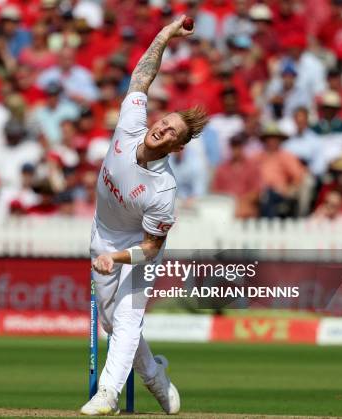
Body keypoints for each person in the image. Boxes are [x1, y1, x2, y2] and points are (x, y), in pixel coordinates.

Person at [83, 16, 208, 416]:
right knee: (111, 324)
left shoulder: (163, 191)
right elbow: (142, 75)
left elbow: (152, 248)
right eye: (165, 122)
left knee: (128, 317)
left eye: (172, 132)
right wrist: (167, 33)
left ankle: (107, 395)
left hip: (137, 248)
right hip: (103, 233)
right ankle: (156, 376)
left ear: (177, 147)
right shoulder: (132, 122)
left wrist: (116, 259)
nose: (163, 130)